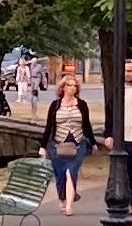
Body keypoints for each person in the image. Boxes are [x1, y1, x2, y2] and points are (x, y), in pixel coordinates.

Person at [39, 64, 93, 210]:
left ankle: (69, 205)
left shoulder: (82, 105)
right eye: (70, 85)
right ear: (63, 88)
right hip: (57, 144)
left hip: (78, 143)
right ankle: (62, 198)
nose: (72, 88)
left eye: (75, 86)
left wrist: (93, 143)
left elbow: (87, 125)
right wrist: (43, 147)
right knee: (60, 174)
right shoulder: (55, 105)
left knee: (71, 172)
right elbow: (49, 127)